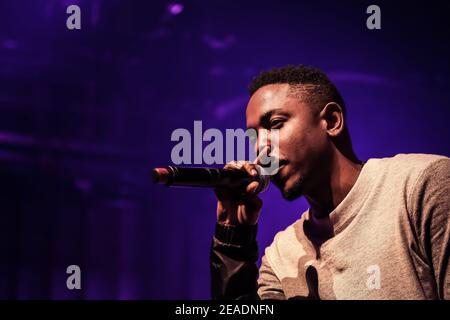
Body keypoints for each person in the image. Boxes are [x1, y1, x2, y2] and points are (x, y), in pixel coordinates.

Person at [210, 65, 450, 300]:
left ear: (332, 121)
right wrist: (233, 241)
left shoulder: (422, 185)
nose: (259, 147)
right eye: (254, 136)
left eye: (275, 125)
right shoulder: (282, 255)